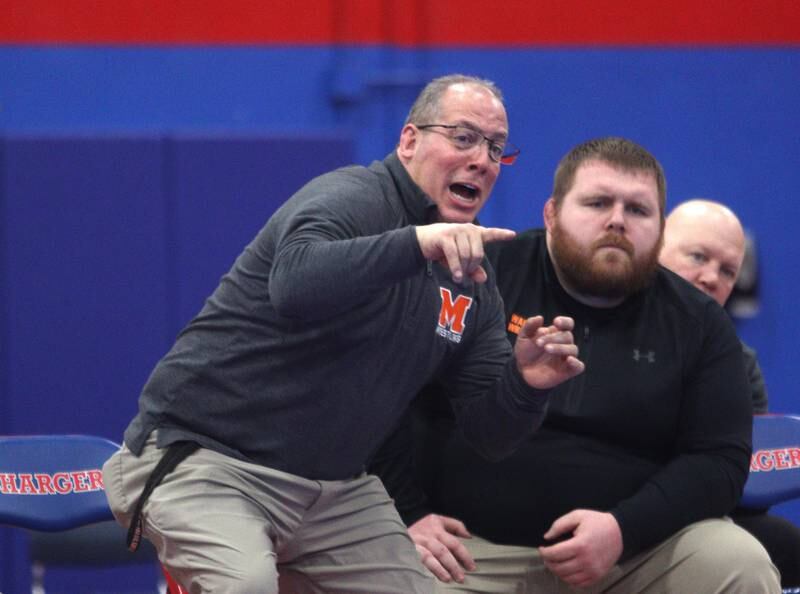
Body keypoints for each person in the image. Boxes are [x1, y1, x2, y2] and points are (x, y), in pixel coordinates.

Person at [101, 74, 585, 593]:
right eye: (464, 137)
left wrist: (527, 383)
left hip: (332, 491)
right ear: (409, 140)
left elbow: (491, 434)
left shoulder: (472, 285)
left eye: (495, 148)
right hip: (206, 459)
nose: (483, 160)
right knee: (246, 586)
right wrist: (416, 242)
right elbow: (294, 283)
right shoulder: (352, 196)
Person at [372, 137, 780, 592]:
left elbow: (719, 462)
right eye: (598, 202)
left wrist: (623, 530)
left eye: (638, 210)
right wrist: (409, 514)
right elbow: (382, 395)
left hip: (635, 554)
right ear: (551, 214)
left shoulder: (700, 322)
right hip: (469, 552)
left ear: (660, 229)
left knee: (739, 561)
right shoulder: (480, 275)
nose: (617, 221)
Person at [660, 198, 800, 588]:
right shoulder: (603, 331)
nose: (711, 277)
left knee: (784, 543)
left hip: (703, 519)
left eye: (727, 271)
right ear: (654, 246)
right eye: (697, 257)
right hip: (605, 510)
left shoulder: (740, 364)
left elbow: (748, 478)